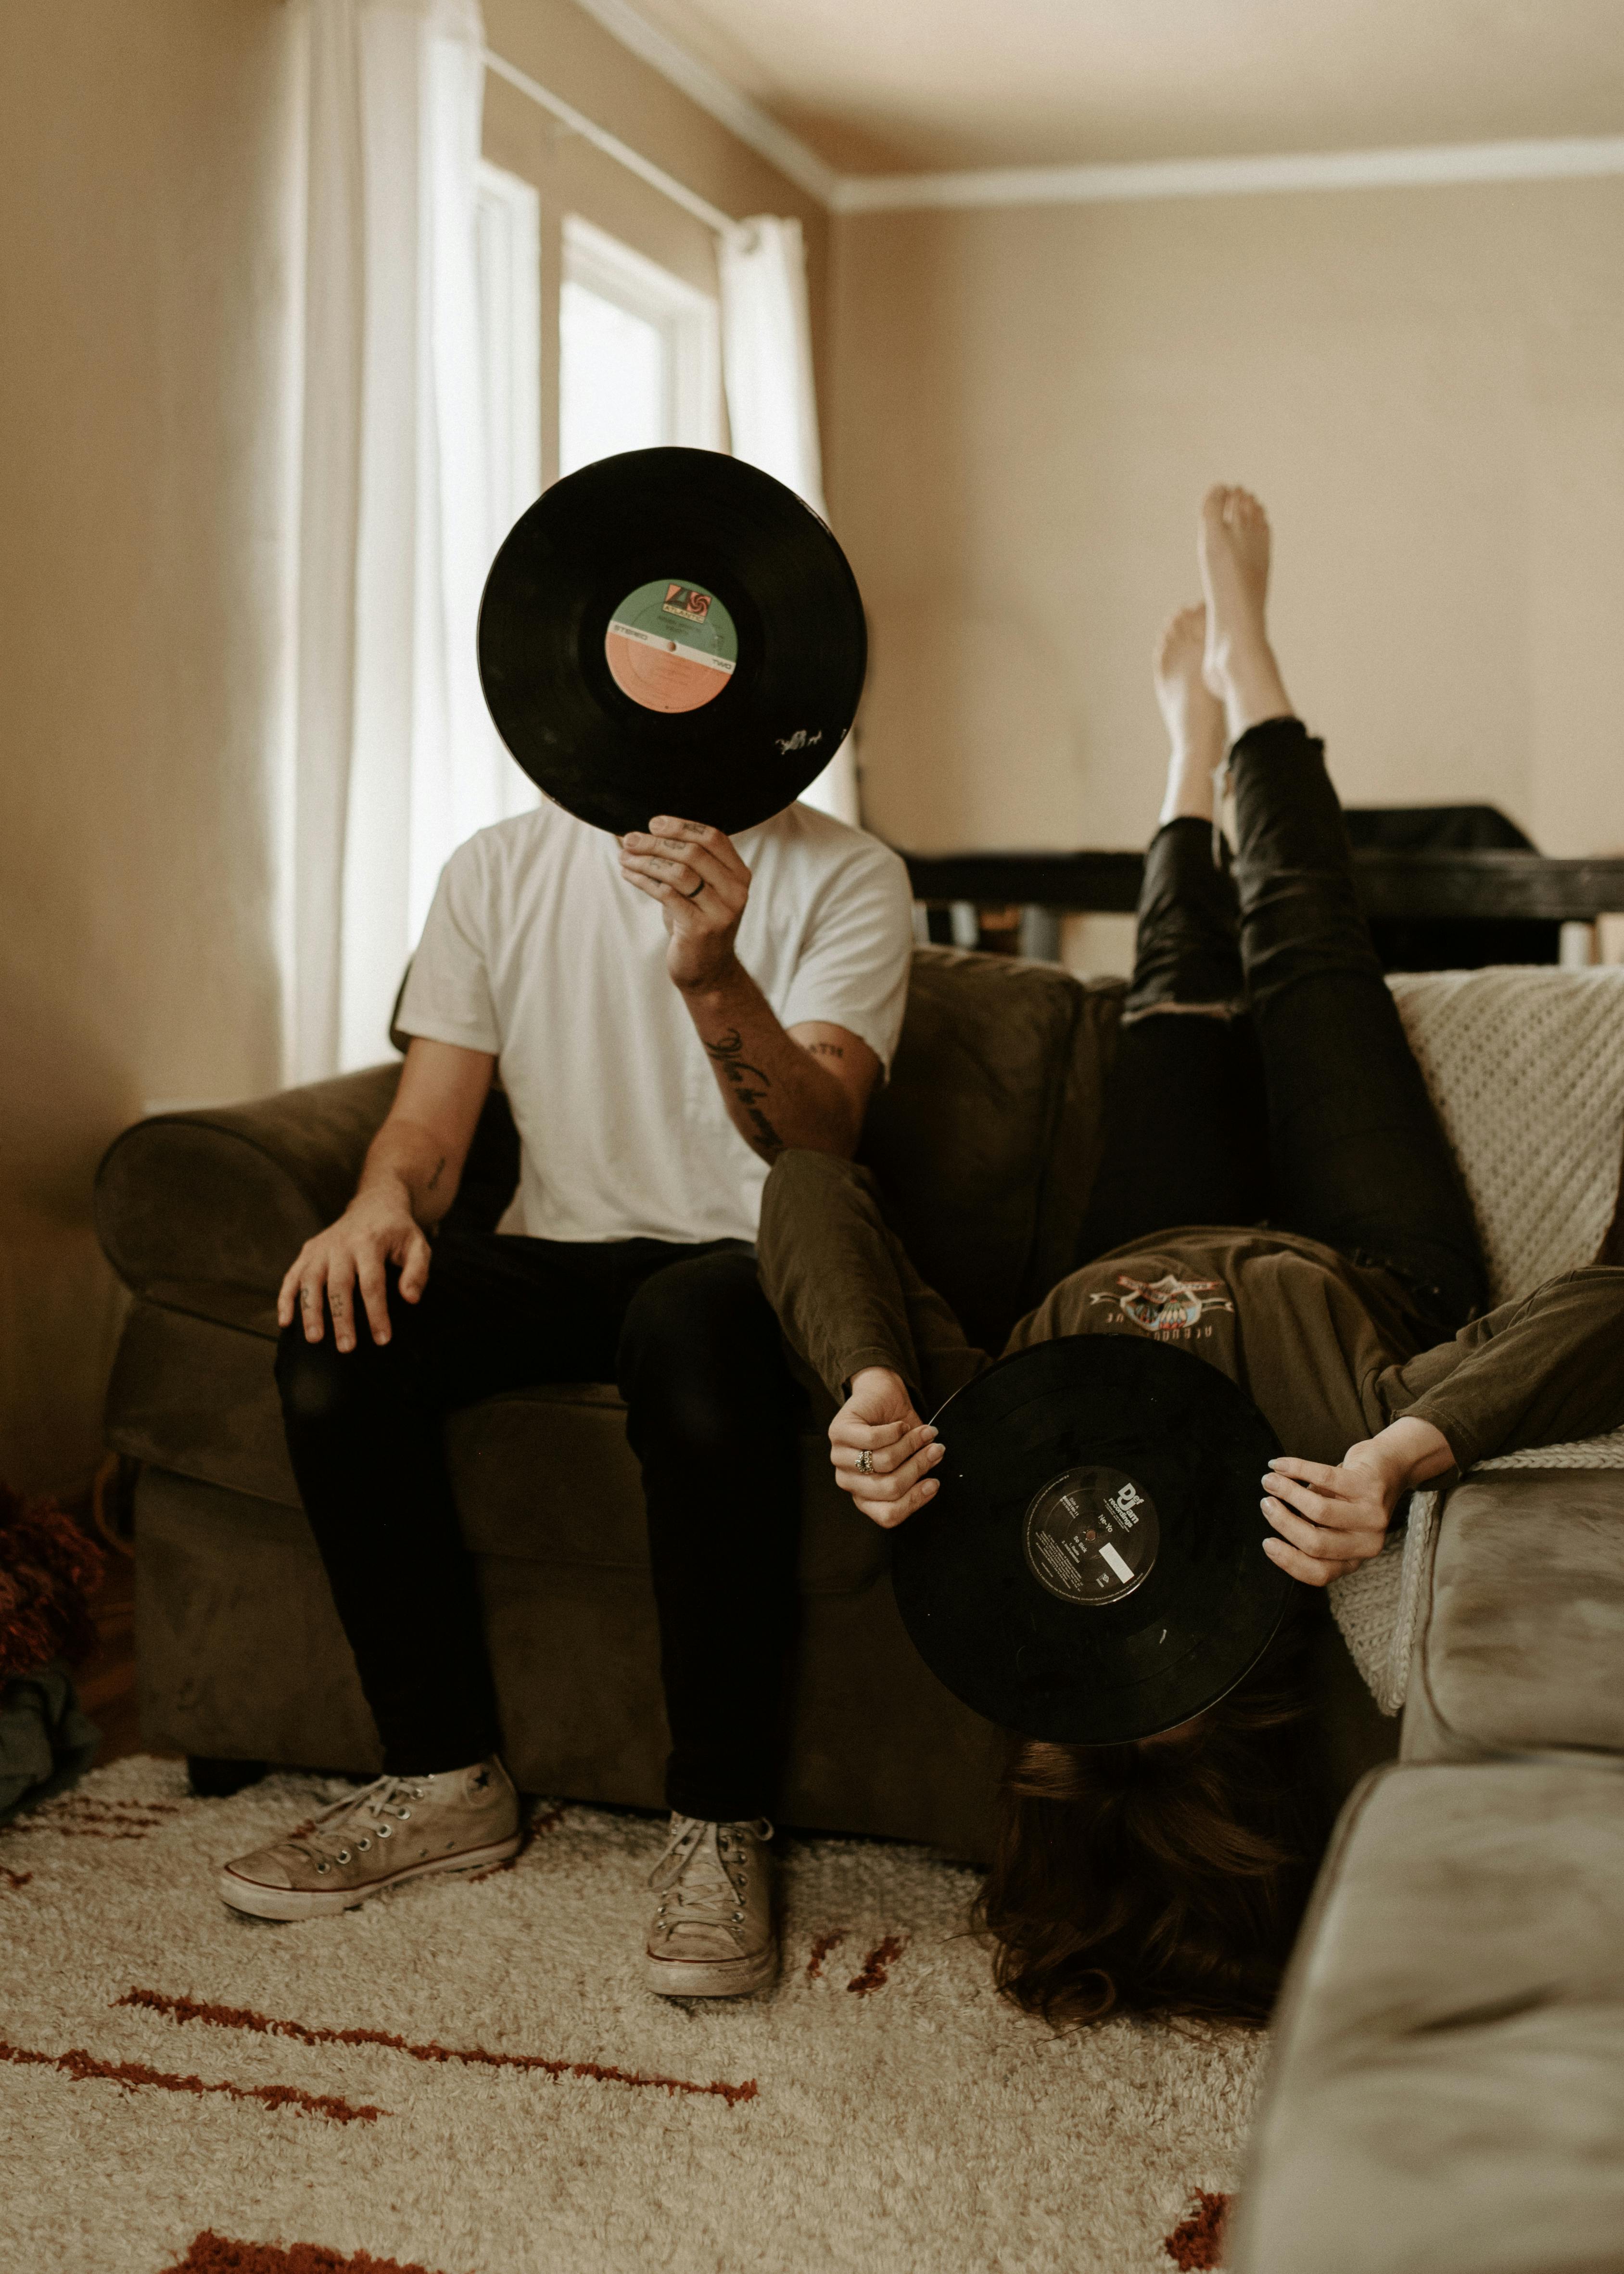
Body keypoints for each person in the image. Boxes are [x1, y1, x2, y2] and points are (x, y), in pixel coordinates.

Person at [757, 487, 1624, 2027]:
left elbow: (812, 1183)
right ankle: (1258, 678)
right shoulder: (1326, 1504)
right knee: (1304, 948)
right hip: (1367, 1264)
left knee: (1173, 991)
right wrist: (1415, 1448)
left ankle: (1181, 759)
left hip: (1145, 1235)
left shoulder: (994, 1516)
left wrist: (872, 1381)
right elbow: (1612, 1299)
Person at [217, 787, 914, 2002]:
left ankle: (718, 1816)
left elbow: (820, 1142)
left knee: (690, 1333)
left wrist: (709, 973)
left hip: (741, 1259)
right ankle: (443, 1777)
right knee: (341, 1331)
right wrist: (380, 1200)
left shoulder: (850, 871)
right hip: (557, 1250)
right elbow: (428, 1129)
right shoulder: (494, 868)